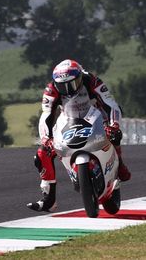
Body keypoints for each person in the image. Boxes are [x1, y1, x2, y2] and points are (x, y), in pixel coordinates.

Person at [27, 59, 131, 212]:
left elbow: (111, 104)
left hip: (96, 114)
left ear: (80, 77)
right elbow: (46, 116)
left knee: (115, 134)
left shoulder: (92, 80)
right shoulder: (51, 89)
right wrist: (46, 139)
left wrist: (113, 124)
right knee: (42, 153)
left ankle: (120, 164)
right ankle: (49, 199)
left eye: (72, 84)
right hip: (69, 120)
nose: (68, 89)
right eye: (63, 86)